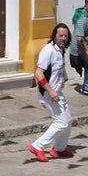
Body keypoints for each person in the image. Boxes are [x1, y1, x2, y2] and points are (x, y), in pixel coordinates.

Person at [29, 23, 74, 161]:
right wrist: (51, 91)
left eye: (65, 36)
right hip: (48, 94)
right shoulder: (48, 50)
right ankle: (37, 146)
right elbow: (38, 73)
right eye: (60, 36)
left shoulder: (60, 50)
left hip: (57, 92)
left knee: (68, 120)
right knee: (60, 122)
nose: (63, 38)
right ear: (54, 36)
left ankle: (59, 149)